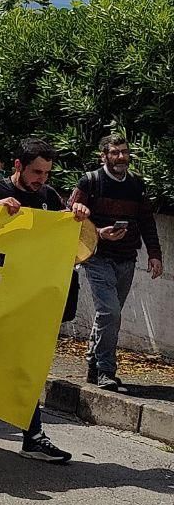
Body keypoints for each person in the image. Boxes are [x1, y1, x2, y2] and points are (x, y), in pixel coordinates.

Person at [0, 137, 86, 463]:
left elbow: (65, 237)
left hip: (28, 299)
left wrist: (77, 216)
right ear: (18, 167)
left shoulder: (48, 197)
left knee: (28, 365)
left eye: (47, 173)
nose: (42, 179)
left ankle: (33, 437)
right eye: (37, 171)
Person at [71, 134, 162, 393]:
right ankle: (105, 370)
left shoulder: (136, 185)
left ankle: (92, 362)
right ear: (104, 156)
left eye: (124, 152)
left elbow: (146, 220)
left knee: (108, 316)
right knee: (110, 312)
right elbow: (71, 219)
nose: (121, 157)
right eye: (114, 152)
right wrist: (100, 232)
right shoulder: (90, 182)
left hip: (126, 258)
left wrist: (155, 254)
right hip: (97, 257)